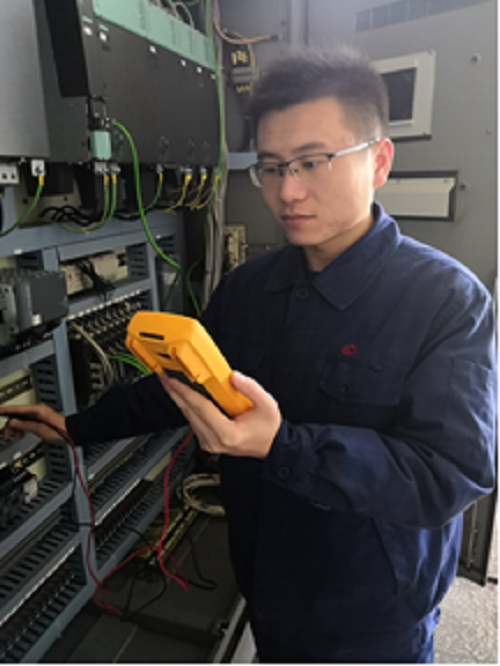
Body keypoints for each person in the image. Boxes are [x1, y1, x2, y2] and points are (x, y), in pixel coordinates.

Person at [0, 48, 496, 663]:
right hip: (266, 583)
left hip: (370, 616)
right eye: (271, 167)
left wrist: (283, 445)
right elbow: (188, 386)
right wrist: (76, 427)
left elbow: (448, 475)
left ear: (379, 161)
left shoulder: (447, 301)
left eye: (312, 162)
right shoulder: (249, 289)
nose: (288, 191)